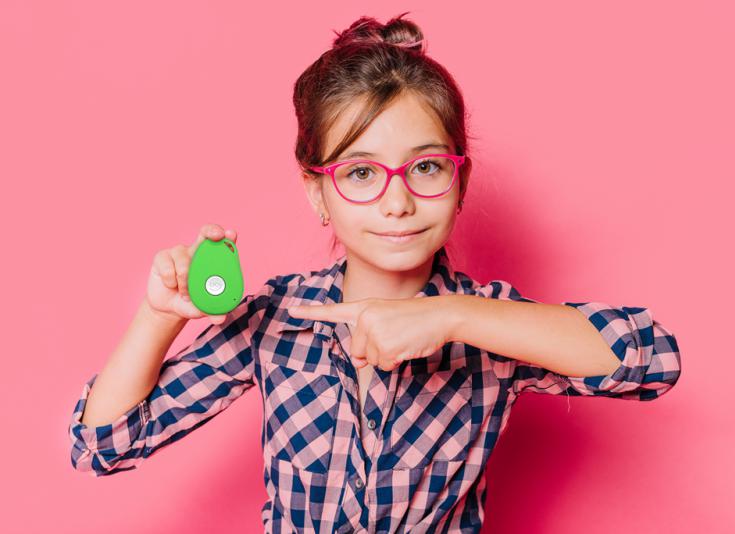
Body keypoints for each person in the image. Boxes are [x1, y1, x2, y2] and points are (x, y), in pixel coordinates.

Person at [67, 12, 682, 533]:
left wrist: (450, 315)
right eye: (361, 173)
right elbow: (102, 446)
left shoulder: (492, 328)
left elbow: (653, 357)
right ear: (317, 193)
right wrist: (157, 316)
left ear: (459, 181)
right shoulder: (273, 321)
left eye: (426, 168)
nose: (397, 203)